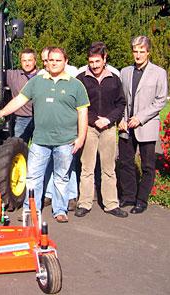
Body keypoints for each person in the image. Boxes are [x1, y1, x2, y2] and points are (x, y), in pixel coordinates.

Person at [0, 47, 89, 223]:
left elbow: (83, 113)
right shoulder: (37, 82)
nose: (54, 63)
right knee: (33, 177)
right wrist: (1, 113)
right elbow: (19, 100)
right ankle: (32, 210)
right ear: (47, 62)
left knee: (61, 177)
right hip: (40, 140)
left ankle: (60, 210)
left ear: (66, 62)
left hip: (65, 141)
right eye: (51, 60)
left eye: (58, 60)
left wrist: (81, 137)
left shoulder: (76, 85)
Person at [75, 42, 128, 218]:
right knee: (87, 168)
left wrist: (109, 119)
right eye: (91, 62)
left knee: (108, 168)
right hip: (88, 127)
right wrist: (92, 119)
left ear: (105, 59)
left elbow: (121, 103)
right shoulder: (81, 78)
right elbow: (78, 104)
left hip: (108, 128)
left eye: (97, 61)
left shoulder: (114, 78)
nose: (94, 65)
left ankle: (111, 204)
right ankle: (84, 203)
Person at [118, 36, 168, 214]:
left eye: (142, 51)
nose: (138, 54)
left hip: (145, 125)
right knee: (125, 163)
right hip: (126, 126)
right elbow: (121, 99)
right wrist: (121, 119)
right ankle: (128, 196)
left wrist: (140, 117)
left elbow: (160, 100)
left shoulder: (159, 72)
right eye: (135, 51)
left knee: (147, 165)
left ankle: (141, 200)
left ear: (148, 52)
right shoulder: (124, 72)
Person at [39, 46, 79, 211]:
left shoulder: (72, 75)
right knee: (50, 162)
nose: (46, 63)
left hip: (67, 127)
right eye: (45, 61)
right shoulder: (41, 76)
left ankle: (70, 196)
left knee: (67, 165)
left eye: (49, 59)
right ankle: (49, 194)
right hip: (47, 128)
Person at [0, 48, 38, 143]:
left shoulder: (43, 76)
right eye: (24, 60)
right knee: (18, 146)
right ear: (20, 61)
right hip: (21, 119)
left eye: (30, 60)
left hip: (39, 118)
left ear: (35, 61)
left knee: (41, 147)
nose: (27, 63)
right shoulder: (13, 75)